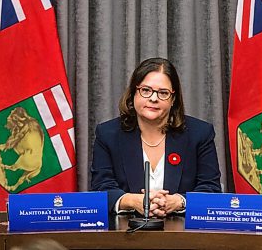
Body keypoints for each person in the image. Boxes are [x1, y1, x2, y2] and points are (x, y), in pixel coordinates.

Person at [91, 57, 221, 217]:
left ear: (173, 99)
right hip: (125, 234)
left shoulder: (199, 133)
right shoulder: (108, 134)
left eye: (163, 93)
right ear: (133, 93)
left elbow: (210, 187)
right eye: (145, 90)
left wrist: (179, 202)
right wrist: (132, 201)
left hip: (184, 235)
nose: (153, 98)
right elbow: (101, 188)